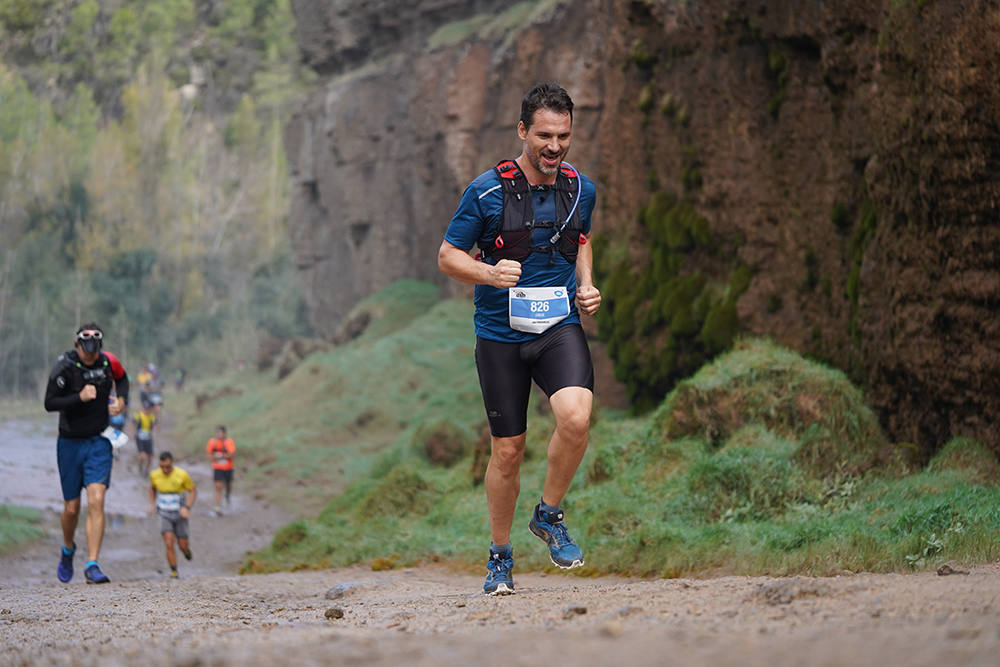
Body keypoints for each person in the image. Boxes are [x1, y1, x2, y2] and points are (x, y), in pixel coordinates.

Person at [437, 82, 601, 595]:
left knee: (576, 417)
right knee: (508, 451)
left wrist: (587, 283)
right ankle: (500, 556)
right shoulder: (484, 191)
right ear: (522, 131)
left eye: (564, 136)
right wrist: (488, 275)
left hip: (557, 327)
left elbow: (583, 239)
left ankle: (549, 515)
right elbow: (448, 256)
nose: (554, 147)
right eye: (544, 136)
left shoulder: (582, 188)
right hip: (500, 336)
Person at [43, 323, 130, 584]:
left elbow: (124, 379)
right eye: (85, 351)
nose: (89, 357)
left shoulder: (108, 362)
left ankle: (92, 564)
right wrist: (78, 397)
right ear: (77, 345)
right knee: (72, 508)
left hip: (100, 441)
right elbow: (49, 403)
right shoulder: (64, 367)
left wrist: (122, 400)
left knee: (97, 500)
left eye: (94, 352)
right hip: (69, 444)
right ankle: (68, 548)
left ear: (99, 347)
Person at [148, 451, 196, 578]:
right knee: (169, 542)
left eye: (167, 467)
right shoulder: (154, 475)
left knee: (182, 544)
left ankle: (186, 551)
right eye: (162, 466)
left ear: (172, 464)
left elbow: (192, 491)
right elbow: (152, 488)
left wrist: (187, 508)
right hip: (164, 513)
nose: (165, 469)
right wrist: (152, 504)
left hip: (180, 513)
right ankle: (174, 571)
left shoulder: (182, 474)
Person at [206, 426, 235, 514]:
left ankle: (227, 496)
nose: (219, 434)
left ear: (224, 433)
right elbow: (209, 455)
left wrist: (220, 456)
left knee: (228, 485)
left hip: (228, 468)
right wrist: (215, 457)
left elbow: (231, 454)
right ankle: (218, 505)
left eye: (220, 432)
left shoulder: (229, 442)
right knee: (218, 486)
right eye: (217, 432)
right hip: (217, 468)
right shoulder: (212, 442)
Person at [131, 402, 157, 477]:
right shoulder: (138, 415)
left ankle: (146, 470)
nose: (147, 410)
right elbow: (132, 423)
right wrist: (132, 433)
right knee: (142, 455)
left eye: (148, 409)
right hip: (139, 438)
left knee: (150, 457)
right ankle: (140, 466)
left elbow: (155, 425)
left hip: (148, 438)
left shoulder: (152, 417)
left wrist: (154, 431)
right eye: (145, 409)